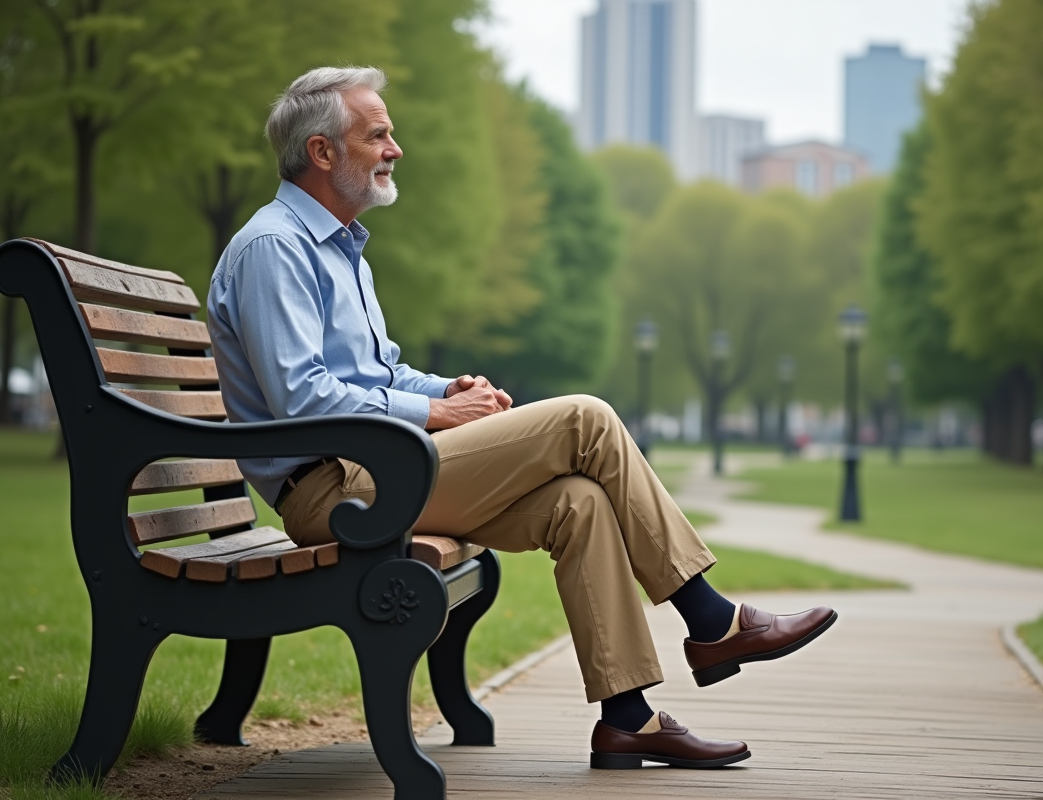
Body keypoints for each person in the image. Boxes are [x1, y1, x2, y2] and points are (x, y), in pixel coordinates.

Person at [207, 66, 837, 770]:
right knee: (586, 420)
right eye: (377, 134)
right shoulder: (275, 248)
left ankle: (628, 718)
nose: (395, 148)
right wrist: (439, 410)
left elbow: (377, 374)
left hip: (380, 469)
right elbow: (302, 400)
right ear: (322, 152)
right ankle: (712, 619)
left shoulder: (342, 248)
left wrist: (447, 386)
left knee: (580, 501)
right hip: (336, 489)